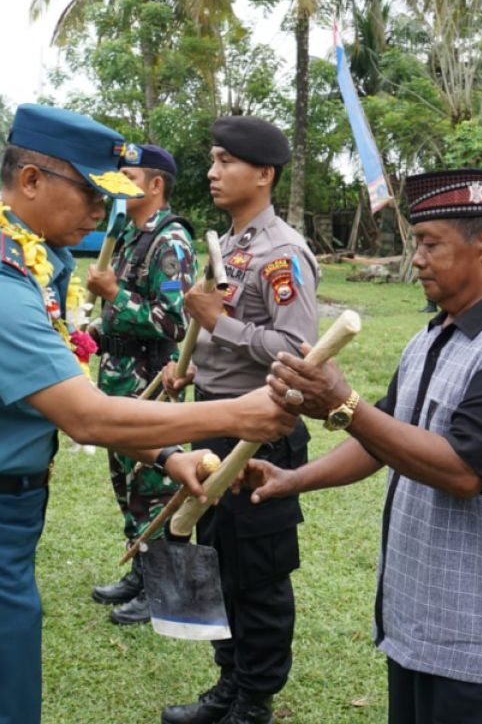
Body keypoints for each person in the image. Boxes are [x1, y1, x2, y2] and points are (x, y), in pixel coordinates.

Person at [0, 104, 294, 724]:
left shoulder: (23, 264)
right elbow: (85, 417)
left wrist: (165, 455)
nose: (98, 213)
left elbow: (63, 403)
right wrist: (240, 413)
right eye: (89, 193)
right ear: (30, 181)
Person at [248, 167, 482, 724]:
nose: (416, 258)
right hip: (420, 618)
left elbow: (465, 471)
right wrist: (295, 480)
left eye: (429, 244)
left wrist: (344, 405)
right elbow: (385, 436)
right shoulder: (433, 336)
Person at [159, 115, 319, 724]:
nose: (212, 171)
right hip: (215, 420)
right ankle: (228, 685)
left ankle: (255, 700)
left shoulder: (282, 253)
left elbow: (298, 350)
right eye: (212, 159)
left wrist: (217, 321)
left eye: (225, 160)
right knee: (218, 557)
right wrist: (192, 368)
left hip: (261, 434)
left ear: (264, 173)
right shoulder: (229, 246)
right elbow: (226, 346)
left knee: (258, 571)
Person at [86, 144, 196, 625]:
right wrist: (97, 328)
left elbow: (174, 323)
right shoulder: (131, 236)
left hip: (150, 382)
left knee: (154, 484)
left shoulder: (170, 242)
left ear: (155, 185)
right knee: (126, 483)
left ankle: (163, 587)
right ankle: (140, 565)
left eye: (126, 176)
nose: (117, 184)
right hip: (118, 379)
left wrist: (114, 294)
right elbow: (127, 311)